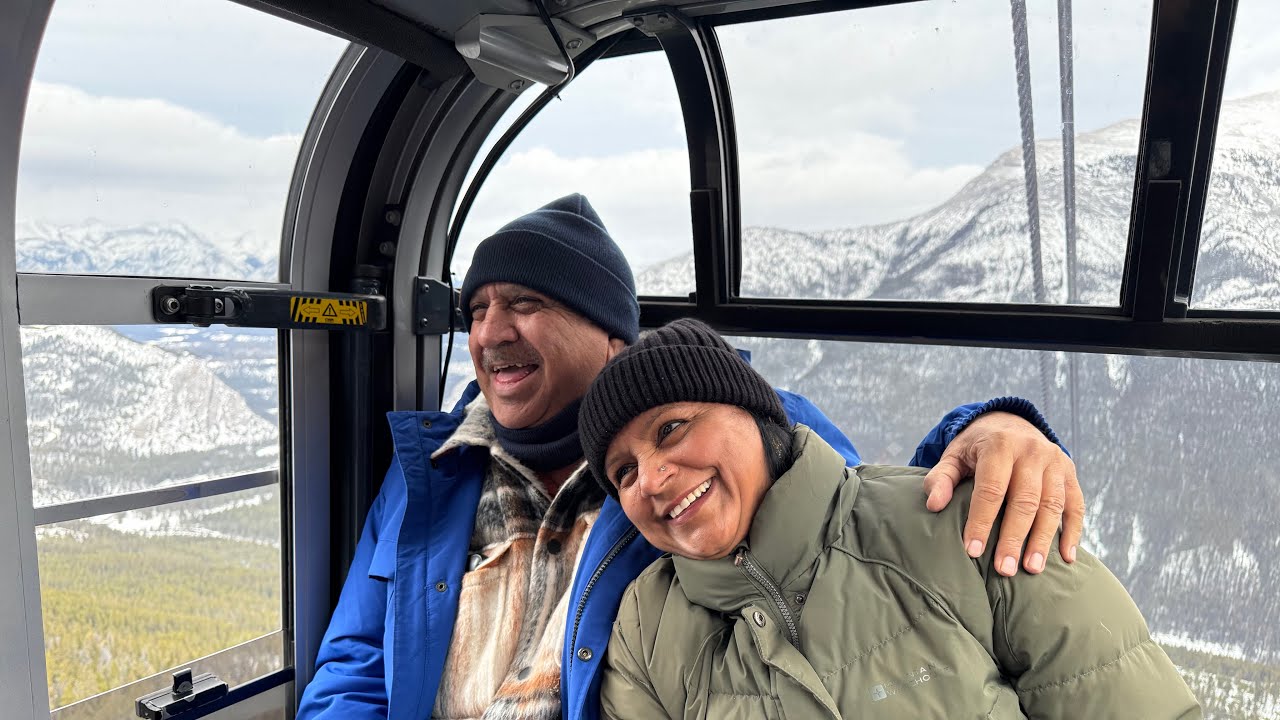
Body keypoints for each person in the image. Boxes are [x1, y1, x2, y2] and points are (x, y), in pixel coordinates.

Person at [296, 194, 1083, 720]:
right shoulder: (429, 476)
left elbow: (850, 508)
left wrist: (989, 430)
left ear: (610, 335)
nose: (490, 331)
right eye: (477, 309)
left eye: (526, 304)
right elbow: (357, 659)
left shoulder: (707, 432)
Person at [580, 318, 1200, 719]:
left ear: (755, 414)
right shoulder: (646, 630)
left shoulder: (960, 527)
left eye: (672, 429)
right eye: (624, 473)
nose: (654, 479)